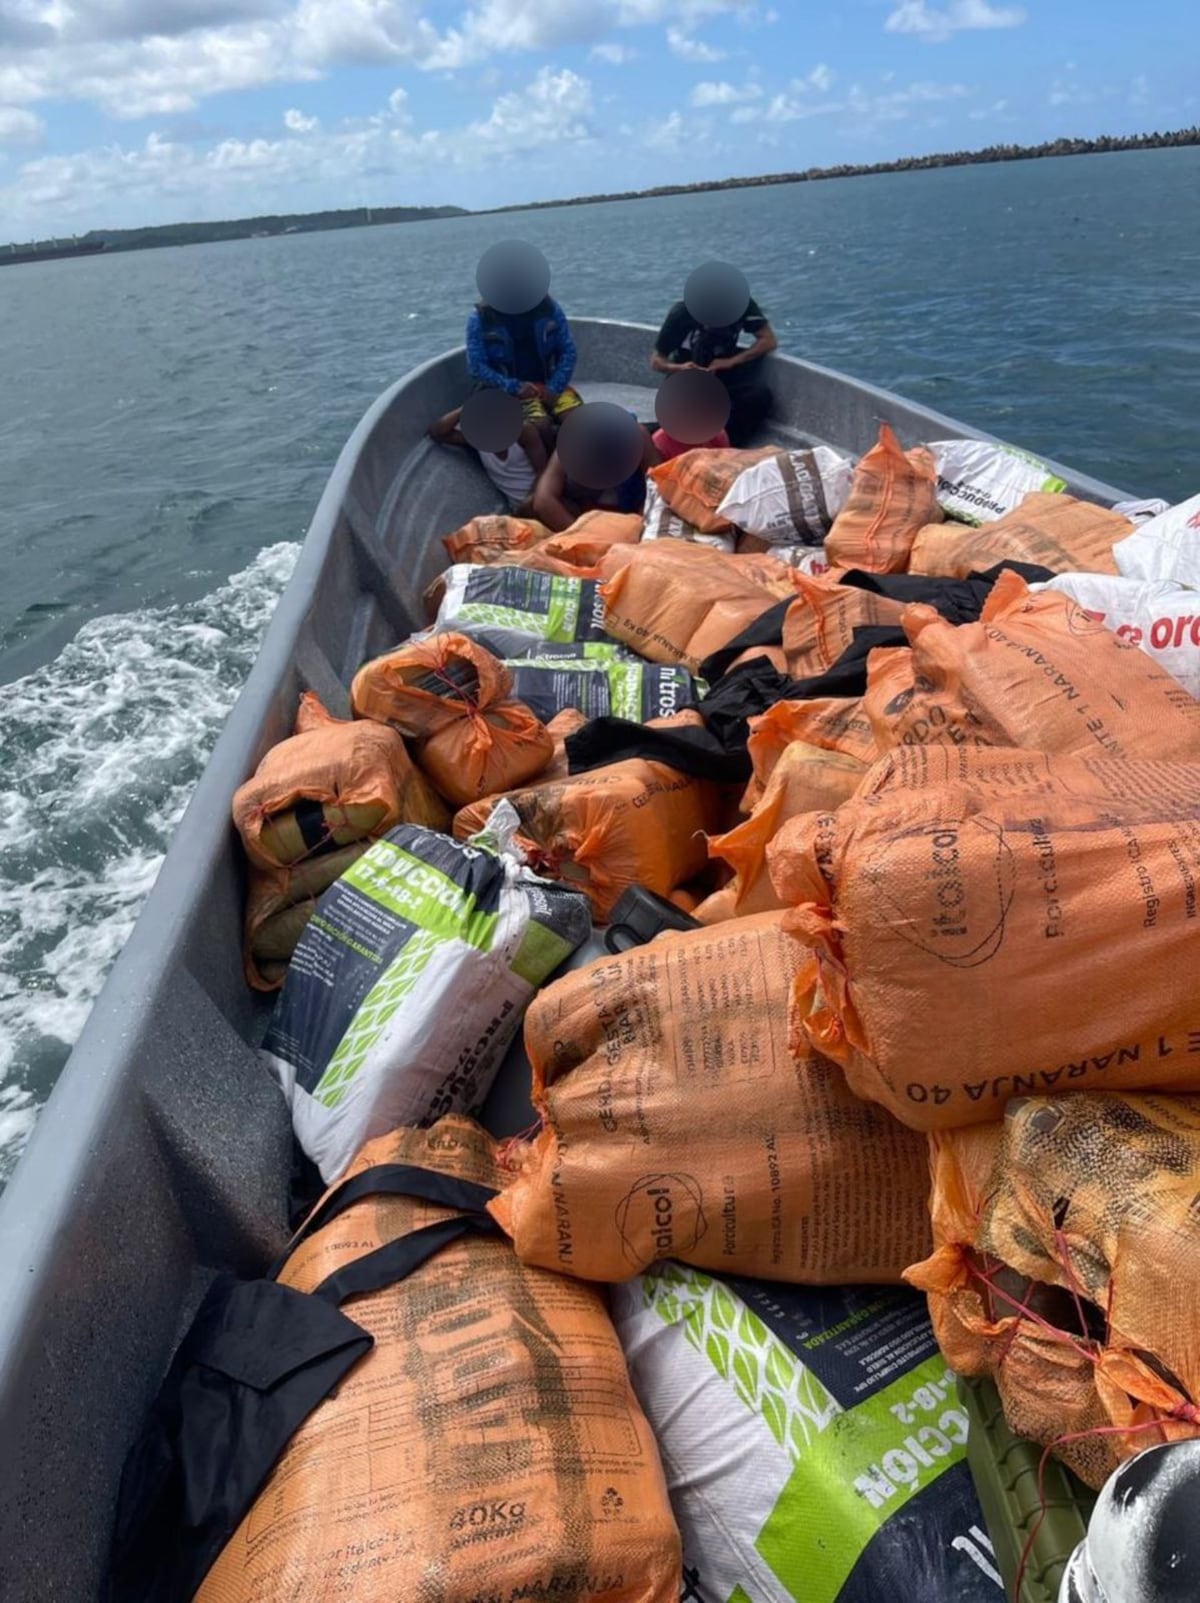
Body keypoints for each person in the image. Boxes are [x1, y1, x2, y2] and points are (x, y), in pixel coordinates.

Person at [650, 281, 777, 447]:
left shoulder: (743, 306)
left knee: (759, 397)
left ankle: (730, 445)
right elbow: (656, 361)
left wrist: (732, 361)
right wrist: (680, 368)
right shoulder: (681, 314)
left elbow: (768, 340)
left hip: (722, 376)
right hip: (686, 379)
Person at [466, 293, 582, 441]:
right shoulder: (480, 319)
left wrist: (555, 387)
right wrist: (515, 388)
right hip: (510, 392)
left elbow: (568, 351)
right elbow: (477, 367)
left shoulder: (549, 308)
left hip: (550, 383)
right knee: (541, 427)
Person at [533, 413, 661, 534]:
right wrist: (581, 537)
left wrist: (639, 527)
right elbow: (543, 500)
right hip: (582, 514)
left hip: (631, 512)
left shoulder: (638, 436)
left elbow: (660, 485)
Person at [427, 405, 547, 514]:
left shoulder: (523, 432)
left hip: (540, 499)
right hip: (518, 508)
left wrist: (530, 499)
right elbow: (437, 433)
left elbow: (543, 470)